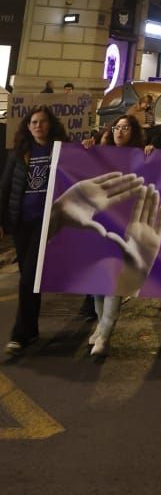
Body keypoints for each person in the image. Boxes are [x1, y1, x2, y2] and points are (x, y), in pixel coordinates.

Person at [1, 106, 69, 353]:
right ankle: (30, 330)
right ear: (28, 127)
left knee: (29, 276)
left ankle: (20, 333)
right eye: (33, 122)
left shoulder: (61, 149)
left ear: (50, 124)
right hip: (22, 223)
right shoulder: (19, 153)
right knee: (30, 279)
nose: (38, 125)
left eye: (42, 121)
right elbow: (6, 187)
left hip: (47, 221)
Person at [83, 114, 148, 358]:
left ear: (134, 132)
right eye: (117, 127)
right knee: (98, 282)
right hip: (101, 224)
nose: (120, 132)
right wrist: (88, 149)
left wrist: (150, 152)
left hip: (127, 227)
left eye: (126, 128)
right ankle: (101, 326)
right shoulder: (103, 152)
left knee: (115, 281)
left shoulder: (141, 155)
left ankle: (106, 334)